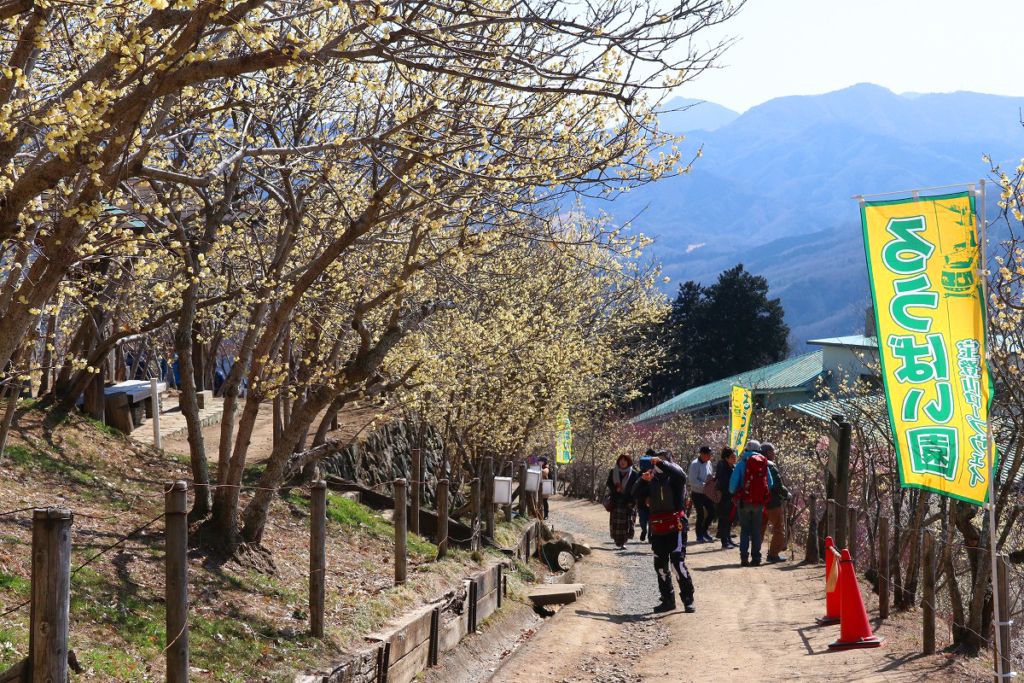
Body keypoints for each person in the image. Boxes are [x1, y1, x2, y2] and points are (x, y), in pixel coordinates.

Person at [631, 451, 695, 613]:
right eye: (656, 461)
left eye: (663, 461)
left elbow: (681, 476)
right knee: (660, 565)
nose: (658, 464)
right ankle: (667, 599)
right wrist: (642, 480)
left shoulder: (675, 478)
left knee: (677, 563)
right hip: (657, 528)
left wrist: (661, 463)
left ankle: (688, 598)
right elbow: (635, 494)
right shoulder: (650, 480)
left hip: (676, 527)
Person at [729, 439, 774, 567]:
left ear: (747, 450)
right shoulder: (763, 463)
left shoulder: (741, 464)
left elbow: (732, 486)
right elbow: (770, 484)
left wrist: (735, 492)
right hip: (758, 502)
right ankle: (756, 558)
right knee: (756, 530)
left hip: (744, 501)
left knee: (744, 530)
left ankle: (744, 558)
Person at [760, 443, 791, 562]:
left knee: (760, 528)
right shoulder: (770, 466)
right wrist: (786, 494)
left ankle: (755, 553)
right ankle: (773, 554)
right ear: (768, 452)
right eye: (773, 451)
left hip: (759, 502)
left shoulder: (754, 463)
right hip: (772, 503)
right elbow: (777, 486)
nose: (774, 454)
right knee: (778, 528)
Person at [606, 454, 637, 549]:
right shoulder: (613, 472)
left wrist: (632, 501)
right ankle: (617, 540)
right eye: (621, 460)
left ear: (628, 462)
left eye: (625, 460)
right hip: (616, 500)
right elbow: (609, 483)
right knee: (616, 521)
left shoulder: (634, 474)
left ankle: (624, 541)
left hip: (628, 500)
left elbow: (636, 487)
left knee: (626, 522)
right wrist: (615, 489)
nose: (622, 462)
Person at [687, 445, 717, 543]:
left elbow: (710, 474)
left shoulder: (709, 463)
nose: (710, 456)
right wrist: (704, 485)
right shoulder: (694, 464)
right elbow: (692, 480)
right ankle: (699, 535)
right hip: (698, 493)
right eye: (709, 454)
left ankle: (704, 531)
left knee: (712, 513)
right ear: (702, 454)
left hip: (707, 492)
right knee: (700, 514)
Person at [715, 447, 738, 549]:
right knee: (725, 520)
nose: (735, 458)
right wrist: (730, 493)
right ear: (726, 458)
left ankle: (729, 539)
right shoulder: (723, 469)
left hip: (730, 498)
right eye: (732, 457)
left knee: (729, 519)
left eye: (735, 456)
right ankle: (724, 542)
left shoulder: (731, 467)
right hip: (724, 498)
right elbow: (723, 485)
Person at [637, 448, 654, 542]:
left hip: (652, 502)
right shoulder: (640, 474)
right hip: (641, 502)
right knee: (643, 521)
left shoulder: (655, 474)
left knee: (651, 520)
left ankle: (651, 535)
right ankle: (644, 531)